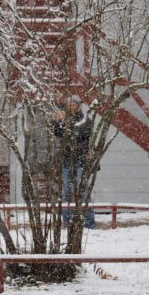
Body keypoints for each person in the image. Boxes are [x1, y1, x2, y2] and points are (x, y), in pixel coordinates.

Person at [53, 95, 96, 229]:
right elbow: (58, 134)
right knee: (66, 191)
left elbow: (85, 136)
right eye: (70, 105)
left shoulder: (84, 120)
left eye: (74, 105)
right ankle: (66, 220)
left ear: (78, 106)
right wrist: (58, 122)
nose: (72, 107)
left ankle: (88, 221)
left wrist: (72, 136)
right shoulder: (63, 120)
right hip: (66, 160)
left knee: (83, 190)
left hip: (80, 160)